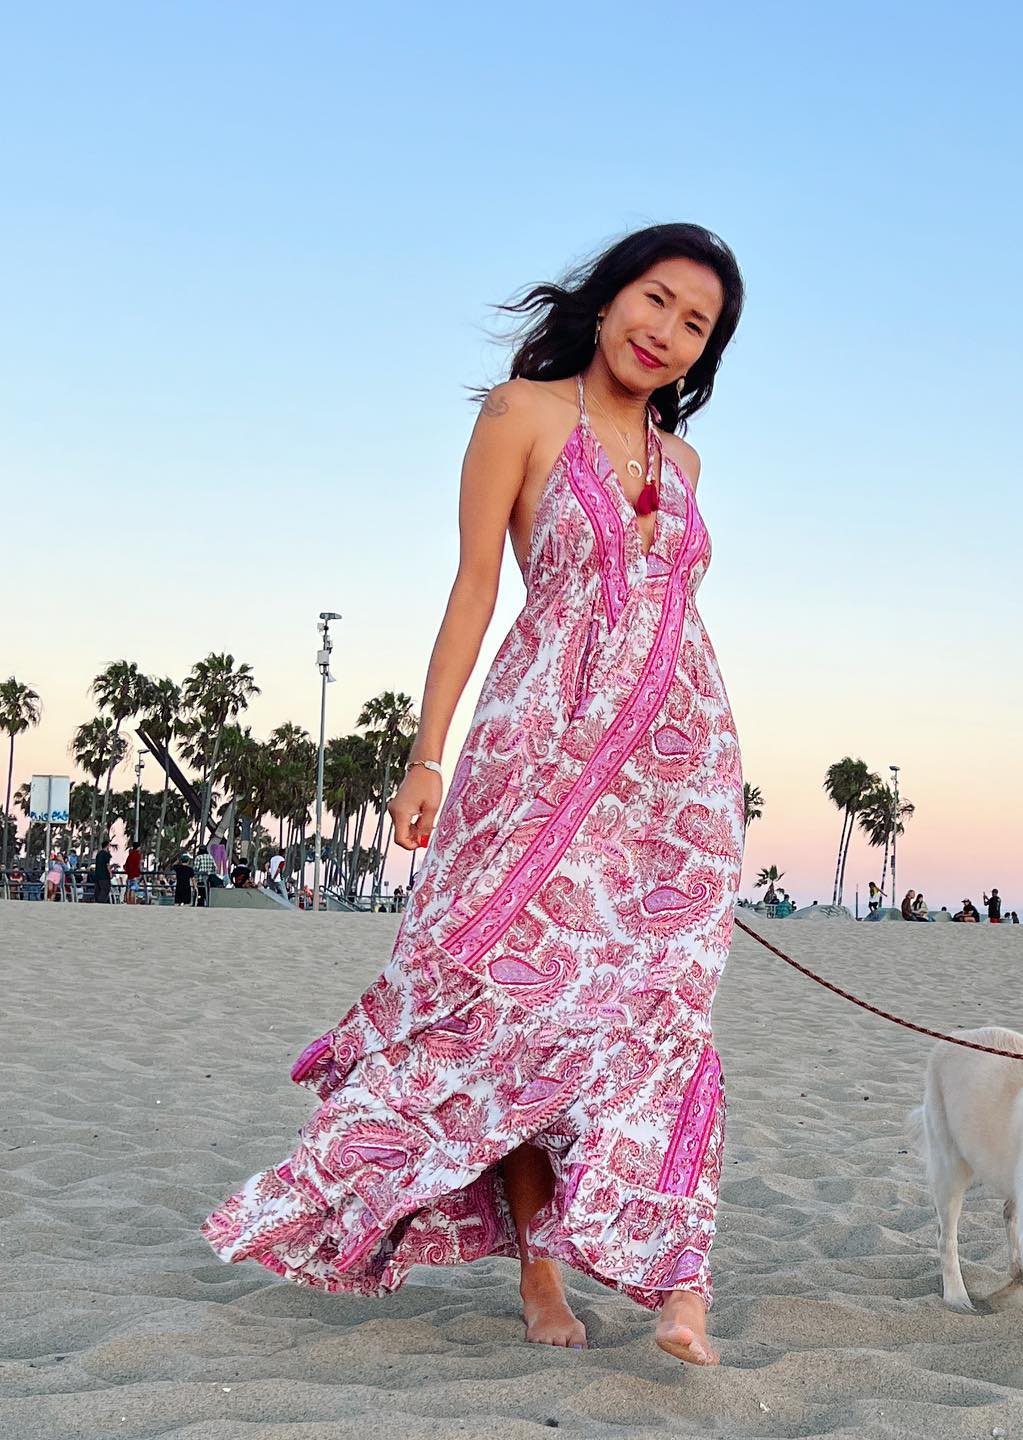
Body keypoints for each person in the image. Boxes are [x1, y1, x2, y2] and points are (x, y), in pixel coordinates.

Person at [203, 225, 746, 1368]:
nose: (665, 331)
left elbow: (672, 619)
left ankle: (679, 1284)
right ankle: (539, 1270)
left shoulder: (687, 467)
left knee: (662, 1013)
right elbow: (474, 589)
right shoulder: (521, 415)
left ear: (705, 353)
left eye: (695, 323)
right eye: (655, 299)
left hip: (673, 785)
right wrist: (427, 756)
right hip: (536, 758)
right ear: (610, 297)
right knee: (516, 1011)